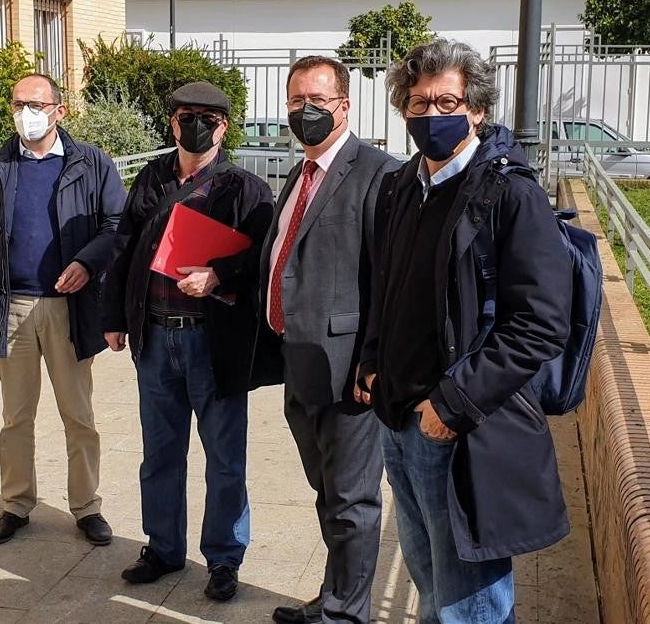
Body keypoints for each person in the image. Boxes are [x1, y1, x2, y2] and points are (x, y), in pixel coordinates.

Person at [361, 39, 573, 624]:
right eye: (418, 103)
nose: (431, 115)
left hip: (457, 428)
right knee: (432, 587)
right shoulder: (402, 187)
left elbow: (539, 323)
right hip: (399, 418)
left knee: (468, 606)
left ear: (476, 109)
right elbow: (386, 287)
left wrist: (451, 404)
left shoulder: (510, 194)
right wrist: (373, 363)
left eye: (446, 102)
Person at [102, 82, 274, 603]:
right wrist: (114, 315)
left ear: (224, 126)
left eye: (207, 117)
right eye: (185, 115)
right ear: (172, 123)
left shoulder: (246, 189)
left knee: (224, 457)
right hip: (154, 336)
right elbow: (125, 244)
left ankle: (223, 558)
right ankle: (163, 548)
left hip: (211, 343)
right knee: (159, 452)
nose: (195, 124)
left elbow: (262, 262)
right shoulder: (152, 178)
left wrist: (220, 274)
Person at [260, 57, 397, 624]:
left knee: (351, 500)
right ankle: (336, 595)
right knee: (327, 491)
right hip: (300, 361)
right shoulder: (301, 171)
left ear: (344, 105)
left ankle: (345, 615)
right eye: (295, 101)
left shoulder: (378, 172)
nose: (304, 111)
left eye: (316, 100)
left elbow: (389, 279)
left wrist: (372, 361)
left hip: (347, 372)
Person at [0, 73, 125, 547]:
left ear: (60, 110)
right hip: (11, 307)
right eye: (18, 103)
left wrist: (86, 263)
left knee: (78, 414)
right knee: (16, 416)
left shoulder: (91, 163)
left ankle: (87, 507)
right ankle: (15, 504)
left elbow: (116, 223)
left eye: (36, 104)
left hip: (70, 309)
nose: (26, 113)